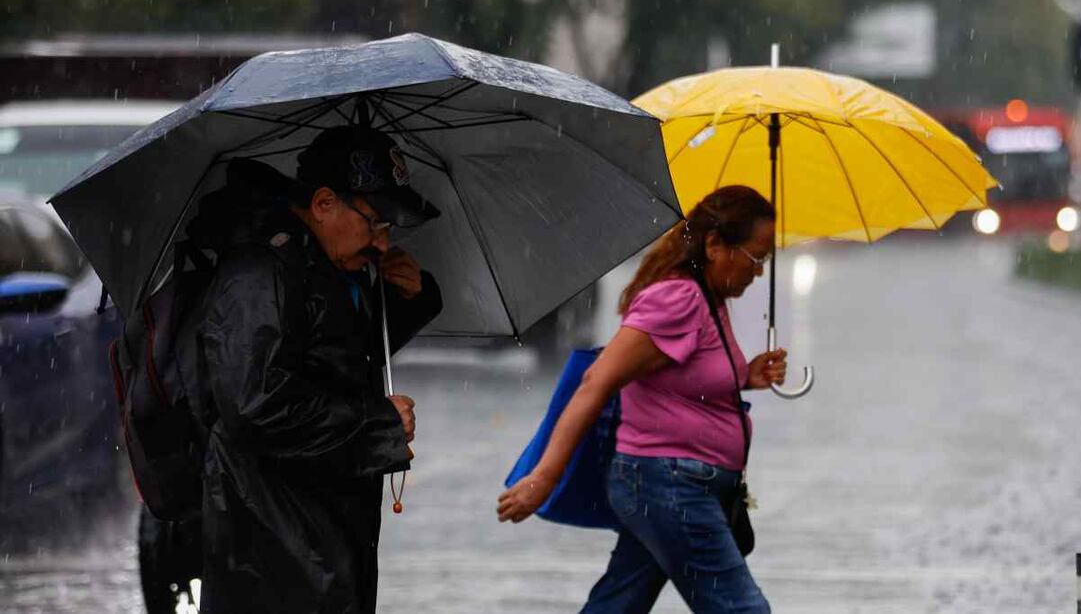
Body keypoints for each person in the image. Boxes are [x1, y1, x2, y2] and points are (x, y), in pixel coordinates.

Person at [498, 185, 786, 613]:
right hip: (668, 485)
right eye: (754, 257)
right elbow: (598, 380)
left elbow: (682, 378)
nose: (759, 272)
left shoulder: (709, 298)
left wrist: (745, 376)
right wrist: (545, 477)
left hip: (673, 484)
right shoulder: (679, 298)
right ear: (713, 244)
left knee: (618, 605)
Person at [196, 125, 442, 614]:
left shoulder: (327, 265)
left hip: (323, 519)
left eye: (390, 229)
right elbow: (255, 402)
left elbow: (336, 356)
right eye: (375, 223)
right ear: (325, 204)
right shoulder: (260, 273)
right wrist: (378, 422)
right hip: (271, 527)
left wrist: (407, 298)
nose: (381, 243)